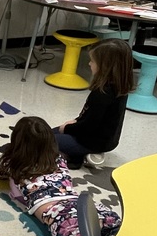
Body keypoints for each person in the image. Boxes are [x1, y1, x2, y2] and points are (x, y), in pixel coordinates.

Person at [0, 116, 121, 236]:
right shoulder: (58, 159)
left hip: (58, 212)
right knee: (118, 228)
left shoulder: (13, 163)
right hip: (81, 202)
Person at [54, 39, 133, 169]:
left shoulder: (103, 94)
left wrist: (67, 129)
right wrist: (75, 121)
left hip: (92, 142)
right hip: (103, 139)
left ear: (105, 66)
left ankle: (78, 152)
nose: (89, 64)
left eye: (93, 61)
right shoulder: (119, 88)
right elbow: (92, 118)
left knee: (41, 141)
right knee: (47, 134)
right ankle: (75, 156)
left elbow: (88, 127)